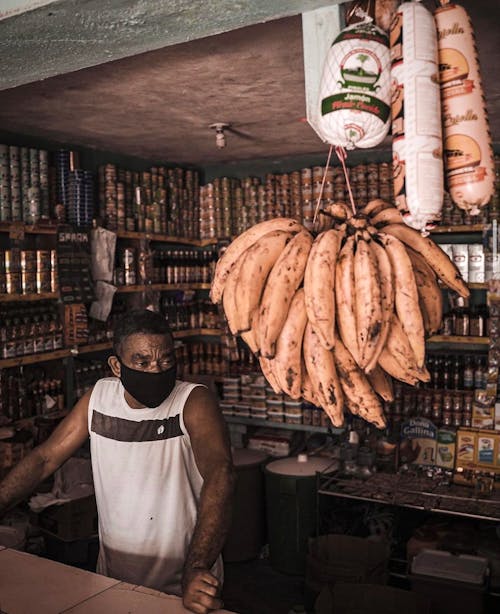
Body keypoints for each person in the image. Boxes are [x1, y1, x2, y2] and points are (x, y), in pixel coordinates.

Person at [0, 309, 235, 614]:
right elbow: (45, 459)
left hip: (184, 586)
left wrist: (197, 567)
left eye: (165, 361)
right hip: (113, 577)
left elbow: (222, 474)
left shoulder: (192, 401)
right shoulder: (98, 399)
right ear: (116, 366)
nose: (156, 370)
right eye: (142, 362)